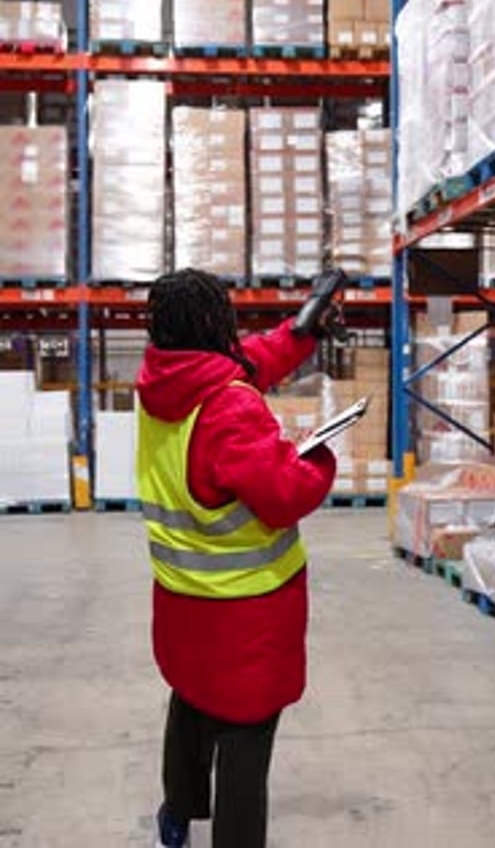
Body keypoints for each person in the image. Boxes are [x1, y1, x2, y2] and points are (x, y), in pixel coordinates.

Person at [136, 268, 337, 848]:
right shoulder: (228, 408)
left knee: (191, 704)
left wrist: (304, 331)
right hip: (246, 617)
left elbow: (250, 360)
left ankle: (176, 817)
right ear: (215, 322)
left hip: (182, 605)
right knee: (246, 743)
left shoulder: (159, 387)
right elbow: (284, 495)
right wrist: (319, 457)